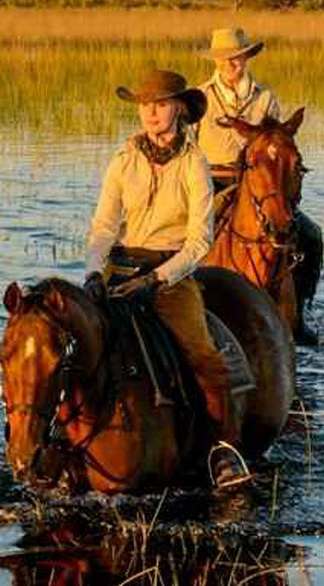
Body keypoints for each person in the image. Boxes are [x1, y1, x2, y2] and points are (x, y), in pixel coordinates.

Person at [83, 69, 250, 489]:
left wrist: (158, 279)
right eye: (145, 105)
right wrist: (92, 272)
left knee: (204, 356)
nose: (151, 113)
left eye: (159, 105)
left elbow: (199, 240)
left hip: (172, 275)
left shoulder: (194, 162)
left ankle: (224, 451)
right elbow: (104, 225)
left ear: (178, 109)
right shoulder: (123, 158)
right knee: (74, 343)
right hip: (120, 268)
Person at [195, 27, 322, 346]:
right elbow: (189, 145)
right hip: (214, 177)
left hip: (260, 180)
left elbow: (278, 144)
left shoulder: (265, 97)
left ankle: (298, 316)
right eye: (225, 59)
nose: (231, 64)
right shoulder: (200, 97)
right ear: (216, 62)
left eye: (237, 57)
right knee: (187, 230)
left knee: (310, 234)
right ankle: (183, 299)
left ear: (247, 58)